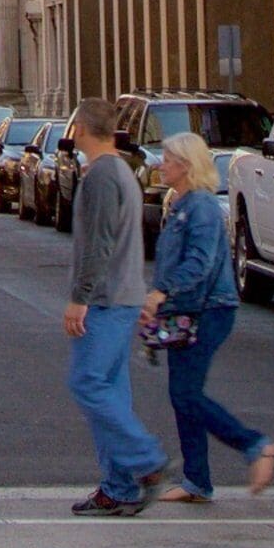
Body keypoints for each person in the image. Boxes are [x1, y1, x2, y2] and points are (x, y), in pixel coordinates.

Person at [139, 131, 274, 502]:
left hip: (209, 309)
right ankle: (197, 481)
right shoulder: (180, 203)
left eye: (167, 159)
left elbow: (199, 263)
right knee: (183, 394)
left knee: (185, 393)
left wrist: (163, 293)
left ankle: (255, 445)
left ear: (185, 165)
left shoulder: (200, 207)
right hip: (184, 310)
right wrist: (157, 305)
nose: (160, 165)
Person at [58, 100, 167, 515]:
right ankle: (118, 487)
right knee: (111, 391)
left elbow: (99, 243)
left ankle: (146, 462)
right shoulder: (122, 170)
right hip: (124, 294)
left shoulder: (103, 175)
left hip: (105, 299)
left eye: (75, 125)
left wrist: (78, 299)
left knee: (87, 383)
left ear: (84, 127)